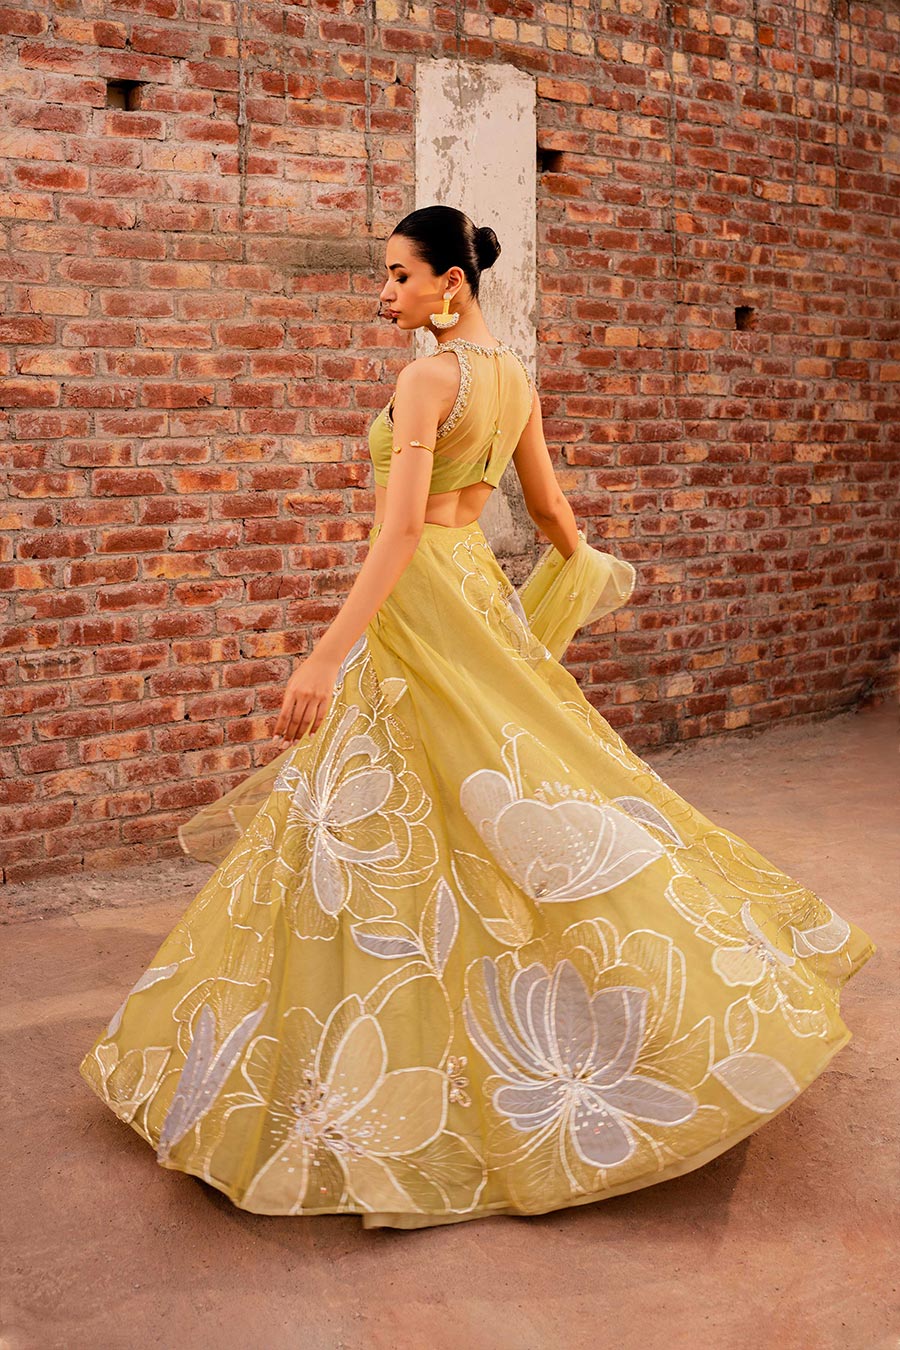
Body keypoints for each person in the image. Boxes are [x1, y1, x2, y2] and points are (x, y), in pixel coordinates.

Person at [78, 205, 876, 1230]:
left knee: (403, 810)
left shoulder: (427, 377)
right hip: (473, 601)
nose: (385, 294)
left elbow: (401, 527)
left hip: (421, 609)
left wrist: (326, 653)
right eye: (385, 277)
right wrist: (565, 591)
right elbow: (552, 522)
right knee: (517, 792)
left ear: (453, 283)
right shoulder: (514, 379)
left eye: (400, 277)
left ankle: (373, 1068)